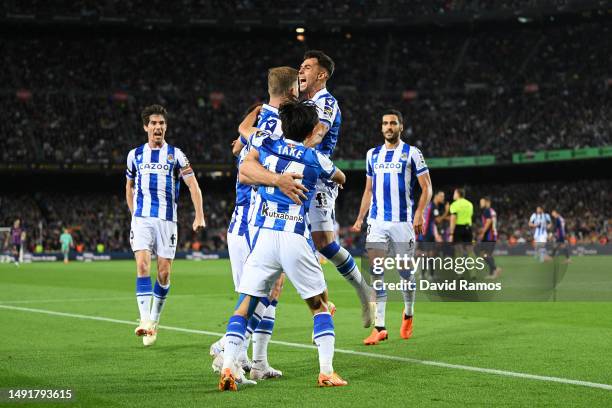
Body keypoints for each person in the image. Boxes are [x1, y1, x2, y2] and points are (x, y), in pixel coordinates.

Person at [217, 100, 348, 391]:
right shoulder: (315, 158)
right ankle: (326, 371)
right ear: (312, 129)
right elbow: (341, 177)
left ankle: (228, 367)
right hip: (294, 238)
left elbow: (245, 158)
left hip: (263, 237)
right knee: (320, 306)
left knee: (244, 307)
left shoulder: (266, 146)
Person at [211, 67, 298, 380]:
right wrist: (280, 180)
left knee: (272, 288)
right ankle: (228, 353)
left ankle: (256, 362)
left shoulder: (258, 124)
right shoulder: (275, 128)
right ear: (291, 92)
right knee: (257, 293)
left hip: (255, 220)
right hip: (253, 220)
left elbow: (243, 139)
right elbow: (248, 172)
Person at [299, 50, 373, 327]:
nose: (300, 72)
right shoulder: (303, 103)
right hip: (298, 177)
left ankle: (363, 290)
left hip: (317, 178)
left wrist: (289, 153)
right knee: (302, 245)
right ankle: (324, 303)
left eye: (307, 67)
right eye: (300, 67)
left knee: (324, 243)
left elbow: (318, 134)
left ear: (322, 74)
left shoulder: (326, 101)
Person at [125, 104, 206, 347]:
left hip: (167, 220)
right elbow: (128, 187)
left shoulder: (176, 155)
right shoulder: (134, 155)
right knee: (142, 264)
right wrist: (133, 215)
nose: (158, 127)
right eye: (153, 123)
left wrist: (199, 215)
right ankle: (145, 320)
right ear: (145, 127)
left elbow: (193, 186)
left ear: (166, 127)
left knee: (163, 273)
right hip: (142, 219)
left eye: (161, 123)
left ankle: (154, 321)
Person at [351, 110, 432, 345]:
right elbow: (368, 189)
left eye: (393, 123)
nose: (389, 126)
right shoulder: (372, 155)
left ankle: (408, 313)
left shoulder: (412, 154)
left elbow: (426, 188)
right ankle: (380, 327)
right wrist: (360, 218)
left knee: (405, 273)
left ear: (400, 127)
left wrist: (419, 213)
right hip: (376, 222)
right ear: (381, 127)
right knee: (376, 272)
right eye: (385, 123)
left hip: (403, 223)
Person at [478, 197, 502, 279]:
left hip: (489, 236)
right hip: (492, 235)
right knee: (487, 254)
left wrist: (483, 232)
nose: (480, 204)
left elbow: (489, 221)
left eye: (482, 202)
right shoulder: (492, 211)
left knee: (483, 253)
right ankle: (492, 273)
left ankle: (495, 269)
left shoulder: (487, 211)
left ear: (487, 202)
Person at [449, 188, 474, 255]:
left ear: (458, 194)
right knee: (469, 249)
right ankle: (472, 263)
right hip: (468, 228)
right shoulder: (470, 204)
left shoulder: (454, 204)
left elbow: (453, 218)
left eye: (454, 193)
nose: (453, 195)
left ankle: (463, 259)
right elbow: (470, 215)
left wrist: (451, 233)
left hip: (458, 228)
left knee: (458, 249)